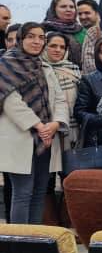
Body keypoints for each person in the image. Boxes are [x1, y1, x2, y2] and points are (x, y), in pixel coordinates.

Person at [0, 23, 69, 223]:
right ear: (20, 39)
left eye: (41, 37)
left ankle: (35, 238)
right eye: (31, 36)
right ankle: (20, 241)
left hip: (45, 139)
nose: (36, 41)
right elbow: (11, 103)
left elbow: (60, 99)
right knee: (22, 193)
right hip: (20, 137)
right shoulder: (5, 65)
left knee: (40, 192)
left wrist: (56, 124)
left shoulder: (44, 66)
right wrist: (39, 126)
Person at [42, 32, 82, 152]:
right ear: (44, 47)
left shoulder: (74, 69)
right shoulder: (37, 69)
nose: (58, 50)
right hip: (46, 129)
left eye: (62, 47)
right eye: (53, 46)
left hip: (73, 128)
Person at [42, 0, 85, 64]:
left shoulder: (83, 32)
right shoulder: (43, 30)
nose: (68, 10)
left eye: (72, 7)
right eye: (63, 6)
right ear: (54, 9)